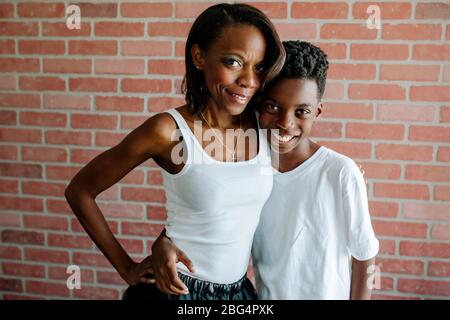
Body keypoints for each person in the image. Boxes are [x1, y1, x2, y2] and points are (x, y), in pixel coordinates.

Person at [64, 3, 285, 300]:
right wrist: (126, 268)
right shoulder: (168, 131)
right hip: (177, 290)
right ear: (199, 57)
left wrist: (345, 172)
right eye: (233, 62)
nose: (249, 80)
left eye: (258, 67)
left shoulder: (263, 124)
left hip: (238, 293)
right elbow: (80, 190)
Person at [151, 41, 379, 300]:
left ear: (317, 111)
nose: (286, 123)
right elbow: (213, 210)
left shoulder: (339, 172)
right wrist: (164, 240)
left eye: (301, 111)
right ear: (257, 104)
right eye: (273, 107)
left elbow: (365, 256)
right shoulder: (249, 167)